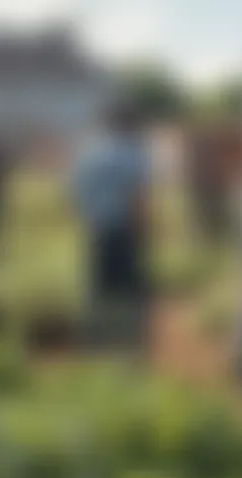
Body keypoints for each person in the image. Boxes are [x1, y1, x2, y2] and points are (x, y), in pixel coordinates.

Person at [72, 101, 151, 352]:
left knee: (97, 287)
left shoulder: (89, 154)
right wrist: (144, 228)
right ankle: (131, 342)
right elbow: (137, 195)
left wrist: (90, 218)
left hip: (96, 227)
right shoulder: (133, 153)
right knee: (131, 289)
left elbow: (76, 195)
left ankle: (94, 342)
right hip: (124, 228)